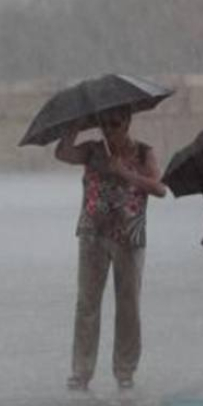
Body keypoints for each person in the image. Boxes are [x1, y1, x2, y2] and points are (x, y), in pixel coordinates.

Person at [55, 106, 166, 391]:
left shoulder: (143, 152)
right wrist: (75, 125)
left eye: (115, 123)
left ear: (128, 122)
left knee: (128, 304)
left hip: (129, 236)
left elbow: (159, 188)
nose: (110, 130)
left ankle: (125, 370)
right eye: (105, 124)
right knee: (87, 304)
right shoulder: (93, 150)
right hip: (92, 232)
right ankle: (81, 371)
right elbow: (62, 153)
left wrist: (126, 173)